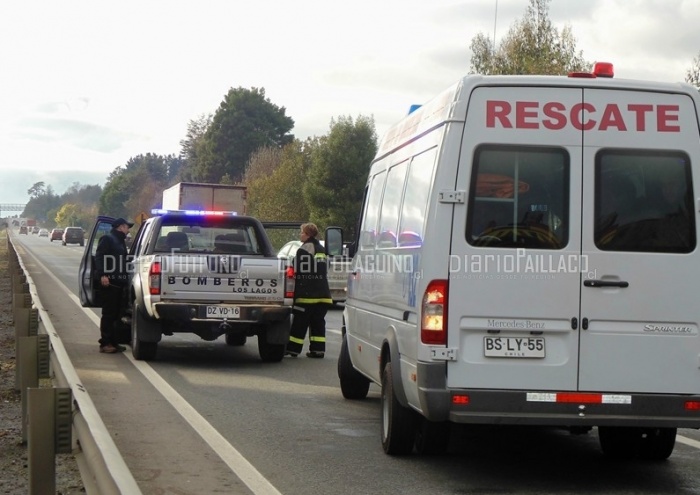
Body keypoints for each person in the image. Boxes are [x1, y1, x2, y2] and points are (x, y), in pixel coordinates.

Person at [285, 223, 333, 358]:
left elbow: (296, 269)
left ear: (308, 235)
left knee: (300, 323)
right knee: (318, 323)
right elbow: (323, 269)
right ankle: (318, 350)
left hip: (307, 296)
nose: (300, 235)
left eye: (302, 232)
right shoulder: (321, 249)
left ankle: (293, 349)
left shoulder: (304, 249)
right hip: (323, 294)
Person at [95, 217, 133, 353]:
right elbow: (99, 257)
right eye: (127, 227)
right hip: (109, 282)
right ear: (120, 227)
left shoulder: (120, 241)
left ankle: (113, 342)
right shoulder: (108, 239)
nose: (128, 229)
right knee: (109, 314)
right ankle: (105, 343)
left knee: (118, 314)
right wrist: (103, 275)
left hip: (119, 283)